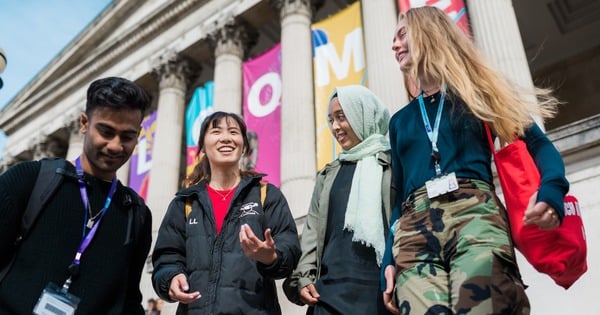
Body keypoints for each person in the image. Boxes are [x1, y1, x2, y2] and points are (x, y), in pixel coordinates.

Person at [382, 6, 569, 315]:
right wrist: (389, 259)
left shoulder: (476, 93)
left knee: (484, 307)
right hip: (413, 232)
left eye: (402, 35)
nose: (394, 45)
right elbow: (398, 197)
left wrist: (552, 190)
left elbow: (539, 145)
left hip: (475, 217)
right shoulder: (400, 121)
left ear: (429, 33)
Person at [0, 76, 152, 314]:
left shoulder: (135, 213)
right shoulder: (30, 180)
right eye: (106, 131)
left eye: (127, 136)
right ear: (84, 123)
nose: (115, 146)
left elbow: (128, 300)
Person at [151, 111, 301, 314]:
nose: (226, 138)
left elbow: (290, 247)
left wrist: (271, 256)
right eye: (216, 131)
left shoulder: (267, 195)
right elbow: (167, 257)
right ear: (202, 146)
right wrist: (170, 277)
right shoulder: (185, 203)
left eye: (233, 132)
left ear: (244, 145)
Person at [283, 85, 394, 315]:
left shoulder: (393, 164)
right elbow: (312, 233)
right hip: (328, 296)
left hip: (381, 294)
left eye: (341, 117)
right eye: (331, 119)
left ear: (362, 113)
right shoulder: (327, 175)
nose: (335, 127)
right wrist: (304, 277)